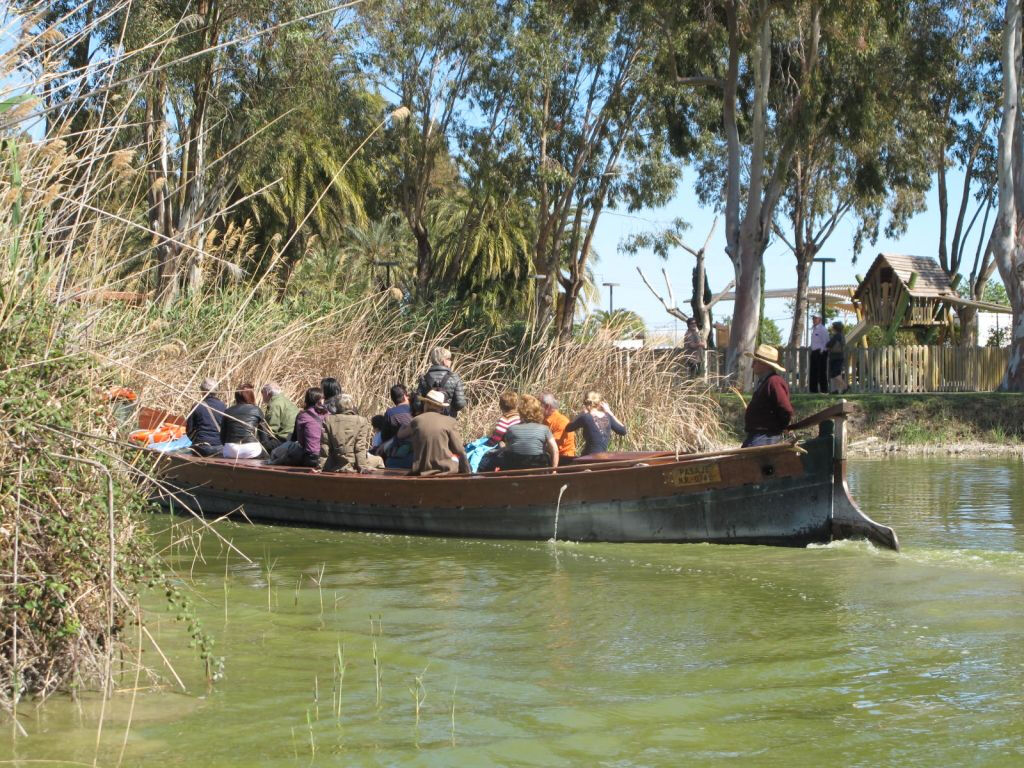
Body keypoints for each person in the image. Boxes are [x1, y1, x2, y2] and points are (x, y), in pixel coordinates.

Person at [397, 390, 470, 476]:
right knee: (456, 458)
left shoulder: (416, 420)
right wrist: (467, 472)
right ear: (441, 408)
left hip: (421, 471)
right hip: (445, 470)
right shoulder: (450, 421)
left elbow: (401, 435)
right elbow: (459, 450)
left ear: (426, 404)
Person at [741, 344, 795, 448]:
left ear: (764, 364)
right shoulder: (766, 382)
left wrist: (781, 427)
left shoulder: (774, 382)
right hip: (759, 436)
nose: (752, 366)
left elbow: (785, 409)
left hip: (766, 437)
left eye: (755, 362)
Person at [491, 394, 558, 470]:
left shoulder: (511, 429)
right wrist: (554, 471)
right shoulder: (545, 429)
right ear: (538, 412)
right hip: (539, 469)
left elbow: (509, 450)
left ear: (520, 412)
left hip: (515, 469)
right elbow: (555, 450)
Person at [321, 394, 384, 472]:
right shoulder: (361, 421)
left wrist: (319, 467)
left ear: (337, 406)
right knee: (379, 460)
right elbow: (360, 447)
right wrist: (363, 467)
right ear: (352, 406)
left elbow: (324, 446)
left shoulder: (328, 420)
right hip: (354, 465)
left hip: (334, 465)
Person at [565, 391, 627, 456]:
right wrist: (609, 412)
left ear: (585, 403)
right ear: (599, 403)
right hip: (602, 457)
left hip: (588, 456)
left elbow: (568, 428)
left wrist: (580, 414)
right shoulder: (608, 416)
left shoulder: (585, 417)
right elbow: (623, 431)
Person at [220, 385, 271, 460]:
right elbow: (264, 437)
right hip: (250, 450)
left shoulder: (228, 411)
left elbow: (222, 437)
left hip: (230, 450)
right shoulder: (256, 410)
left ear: (236, 397)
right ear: (251, 396)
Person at [280, 386, 327, 467]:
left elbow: (301, 441)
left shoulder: (303, 416)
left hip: (311, 458)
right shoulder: (328, 414)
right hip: (327, 458)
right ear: (321, 400)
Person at [415, 347, 467, 418]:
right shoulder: (454, 377)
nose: (450, 361)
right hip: (448, 419)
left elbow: (417, 404)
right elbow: (460, 404)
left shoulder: (424, 378)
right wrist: (449, 410)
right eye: (449, 359)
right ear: (444, 360)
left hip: (428, 419)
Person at [186, 377, 226, 457]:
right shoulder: (224, 406)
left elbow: (189, 431)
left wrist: (197, 441)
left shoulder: (196, 406)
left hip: (200, 448)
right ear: (216, 391)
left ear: (202, 391)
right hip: (219, 448)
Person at [378, 384, 414, 469]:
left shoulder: (390, 413)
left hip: (398, 453)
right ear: (405, 396)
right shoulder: (416, 410)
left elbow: (385, 437)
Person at [261, 382, 299, 448]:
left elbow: (271, 428)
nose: (262, 395)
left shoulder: (274, 404)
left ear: (268, 393)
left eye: (262, 392)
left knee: (261, 426)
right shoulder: (287, 401)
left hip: (283, 440)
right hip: (294, 438)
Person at [540, 393, 576, 459]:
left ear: (547, 406)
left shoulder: (561, 421)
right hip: (552, 456)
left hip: (564, 459)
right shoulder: (544, 420)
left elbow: (552, 445)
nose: (537, 408)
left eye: (539, 405)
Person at [808, 314, 829, 393]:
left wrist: (822, 351)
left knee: (821, 372)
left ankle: (824, 390)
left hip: (821, 352)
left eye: (815, 318)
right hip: (814, 352)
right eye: (813, 318)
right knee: (813, 372)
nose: (813, 320)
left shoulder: (822, 329)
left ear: (820, 319)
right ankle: (813, 390)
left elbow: (826, 341)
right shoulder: (814, 329)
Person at [827, 321, 847, 394]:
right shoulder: (842, 335)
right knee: (834, 374)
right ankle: (834, 390)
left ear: (835, 328)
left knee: (835, 374)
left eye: (833, 327)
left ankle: (845, 386)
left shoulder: (836, 336)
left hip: (835, 357)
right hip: (839, 356)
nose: (832, 328)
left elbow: (829, 344)